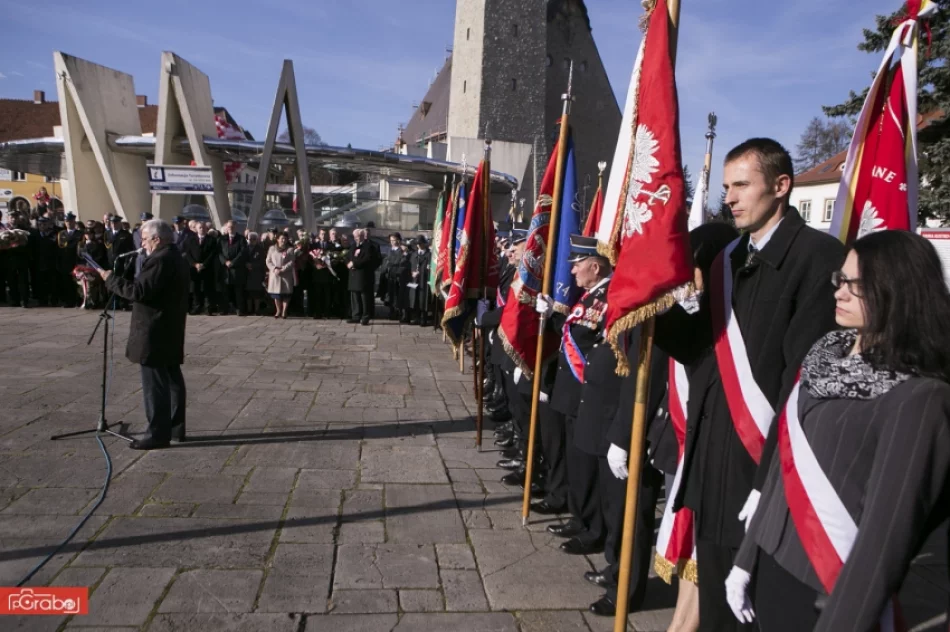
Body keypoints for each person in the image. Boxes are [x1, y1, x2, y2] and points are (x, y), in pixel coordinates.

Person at [654, 138, 845, 631]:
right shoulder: (727, 258)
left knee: (758, 614)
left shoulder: (818, 257)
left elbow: (802, 379)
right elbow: (698, 352)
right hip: (712, 460)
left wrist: (768, 483)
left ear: (781, 186)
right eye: (725, 187)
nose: (730, 198)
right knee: (717, 609)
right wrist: (668, 309)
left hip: (764, 468)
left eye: (742, 185)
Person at [727, 230, 950, 631]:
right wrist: (746, 558)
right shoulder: (825, 356)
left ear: (900, 291)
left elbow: (885, 538)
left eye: (857, 285)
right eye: (840, 280)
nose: (840, 293)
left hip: (828, 590)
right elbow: (783, 468)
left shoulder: (920, 397)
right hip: (771, 565)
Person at [533, 235, 612, 559]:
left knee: (587, 468)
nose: (573, 271)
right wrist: (551, 313)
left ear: (595, 266)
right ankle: (580, 518)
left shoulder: (608, 298)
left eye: (577, 264)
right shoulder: (588, 297)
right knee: (575, 463)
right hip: (570, 392)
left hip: (587, 394)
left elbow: (594, 347)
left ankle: (593, 529)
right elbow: (573, 332)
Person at [98, 219, 190, 450]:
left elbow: (139, 292)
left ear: (157, 239)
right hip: (167, 328)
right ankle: (175, 428)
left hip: (155, 330)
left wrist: (110, 280)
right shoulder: (174, 256)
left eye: (145, 239)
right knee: (171, 380)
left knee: (155, 384)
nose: (143, 244)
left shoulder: (160, 259)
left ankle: (158, 433)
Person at [347, 228, 378, 325]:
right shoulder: (352, 246)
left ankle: (365, 316)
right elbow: (347, 257)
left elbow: (367, 259)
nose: (357, 238)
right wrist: (348, 263)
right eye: (355, 236)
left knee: (364, 297)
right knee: (355, 297)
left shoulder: (369, 247)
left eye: (359, 236)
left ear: (362, 236)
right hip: (353, 275)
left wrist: (354, 264)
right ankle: (355, 316)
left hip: (363, 275)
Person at [217, 220, 248, 315]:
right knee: (225, 291)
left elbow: (242, 253)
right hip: (225, 269)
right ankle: (225, 309)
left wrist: (233, 262)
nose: (230, 228)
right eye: (229, 227)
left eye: (232, 227)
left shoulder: (241, 239)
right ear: (226, 227)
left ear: (235, 227)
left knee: (238, 291)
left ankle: (239, 309)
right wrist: (225, 261)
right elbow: (219, 252)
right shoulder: (222, 239)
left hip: (237, 269)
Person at [55, 212, 82, 308]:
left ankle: (78, 301)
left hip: (75, 262)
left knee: (77, 283)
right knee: (66, 283)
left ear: (74, 221)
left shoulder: (80, 234)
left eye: (71, 221)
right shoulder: (61, 234)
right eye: (67, 221)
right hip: (64, 262)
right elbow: (58, 249)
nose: (69, 223)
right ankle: (68, 301)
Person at [266, 232, 296, 319]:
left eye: (285, 239)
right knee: (276, 294)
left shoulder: (290, 249)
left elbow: (292, 261)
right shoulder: (272, 248)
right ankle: (278, 310)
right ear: (277, 239)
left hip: (286, 274)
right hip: (275, 274)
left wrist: (283, 268)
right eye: (282, 238)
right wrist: (274, 268)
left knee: (286, 294)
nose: (283, 240)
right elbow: (268, 261)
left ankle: (284, 311)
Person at [192, 221, 218, 315]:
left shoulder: (211, 240)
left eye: (203, 228)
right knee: (196, 289)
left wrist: (204, 264)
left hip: (207, 268)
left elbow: (212, 254)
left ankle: (208, 308)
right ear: (196, 229)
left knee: (208, 289)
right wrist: (195, 264)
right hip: (194, 269)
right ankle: (197, 307)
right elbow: (187, 253)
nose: (202, 229)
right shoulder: (191, 239)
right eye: (200, 228)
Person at [408, 235, 431, 325]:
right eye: (418, 244)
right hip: (415, 280)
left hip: (424, 280)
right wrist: (412, 273)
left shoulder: (429, 254)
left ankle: (423, 318)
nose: (419, 246)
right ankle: (416, 317)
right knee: (415, 298)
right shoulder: (414, 254)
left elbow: (430, 268)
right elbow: (411, 266)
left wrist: (424, 271)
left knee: (423, 299)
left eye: (421, 244)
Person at [244, 231, 268, 315]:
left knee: (256, 293)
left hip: (256, 273)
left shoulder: (260, 249)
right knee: (248, 293)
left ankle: (257, 310)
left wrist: (252, 265)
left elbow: (262, 262)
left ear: (257, 240)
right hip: (246, 273)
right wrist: (246, 264)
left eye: (254, 239)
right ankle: (249, 309)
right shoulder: (244, 248)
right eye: (250, 239)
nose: (252, 241)